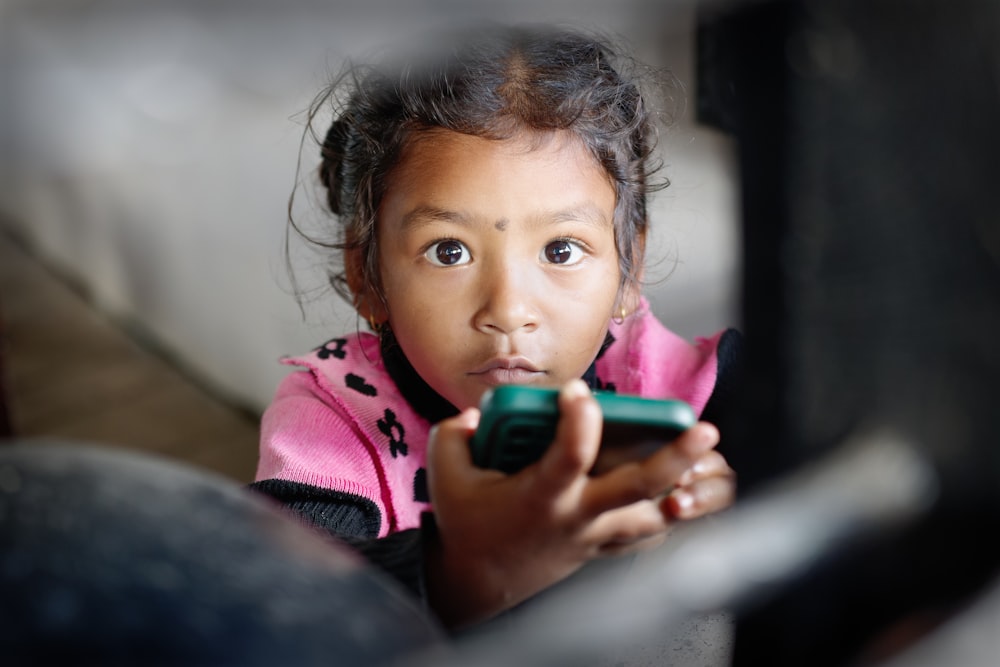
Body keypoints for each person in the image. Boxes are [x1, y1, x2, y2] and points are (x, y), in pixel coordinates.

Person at [250, 22, 741, 630]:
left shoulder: (672, 379)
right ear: (367, 275)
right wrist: (471, 570)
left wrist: (744, 493)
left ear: (627, 270)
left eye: (561, 250)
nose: (508, 311)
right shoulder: (335, 423)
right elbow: (276, 607)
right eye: (449, 251)